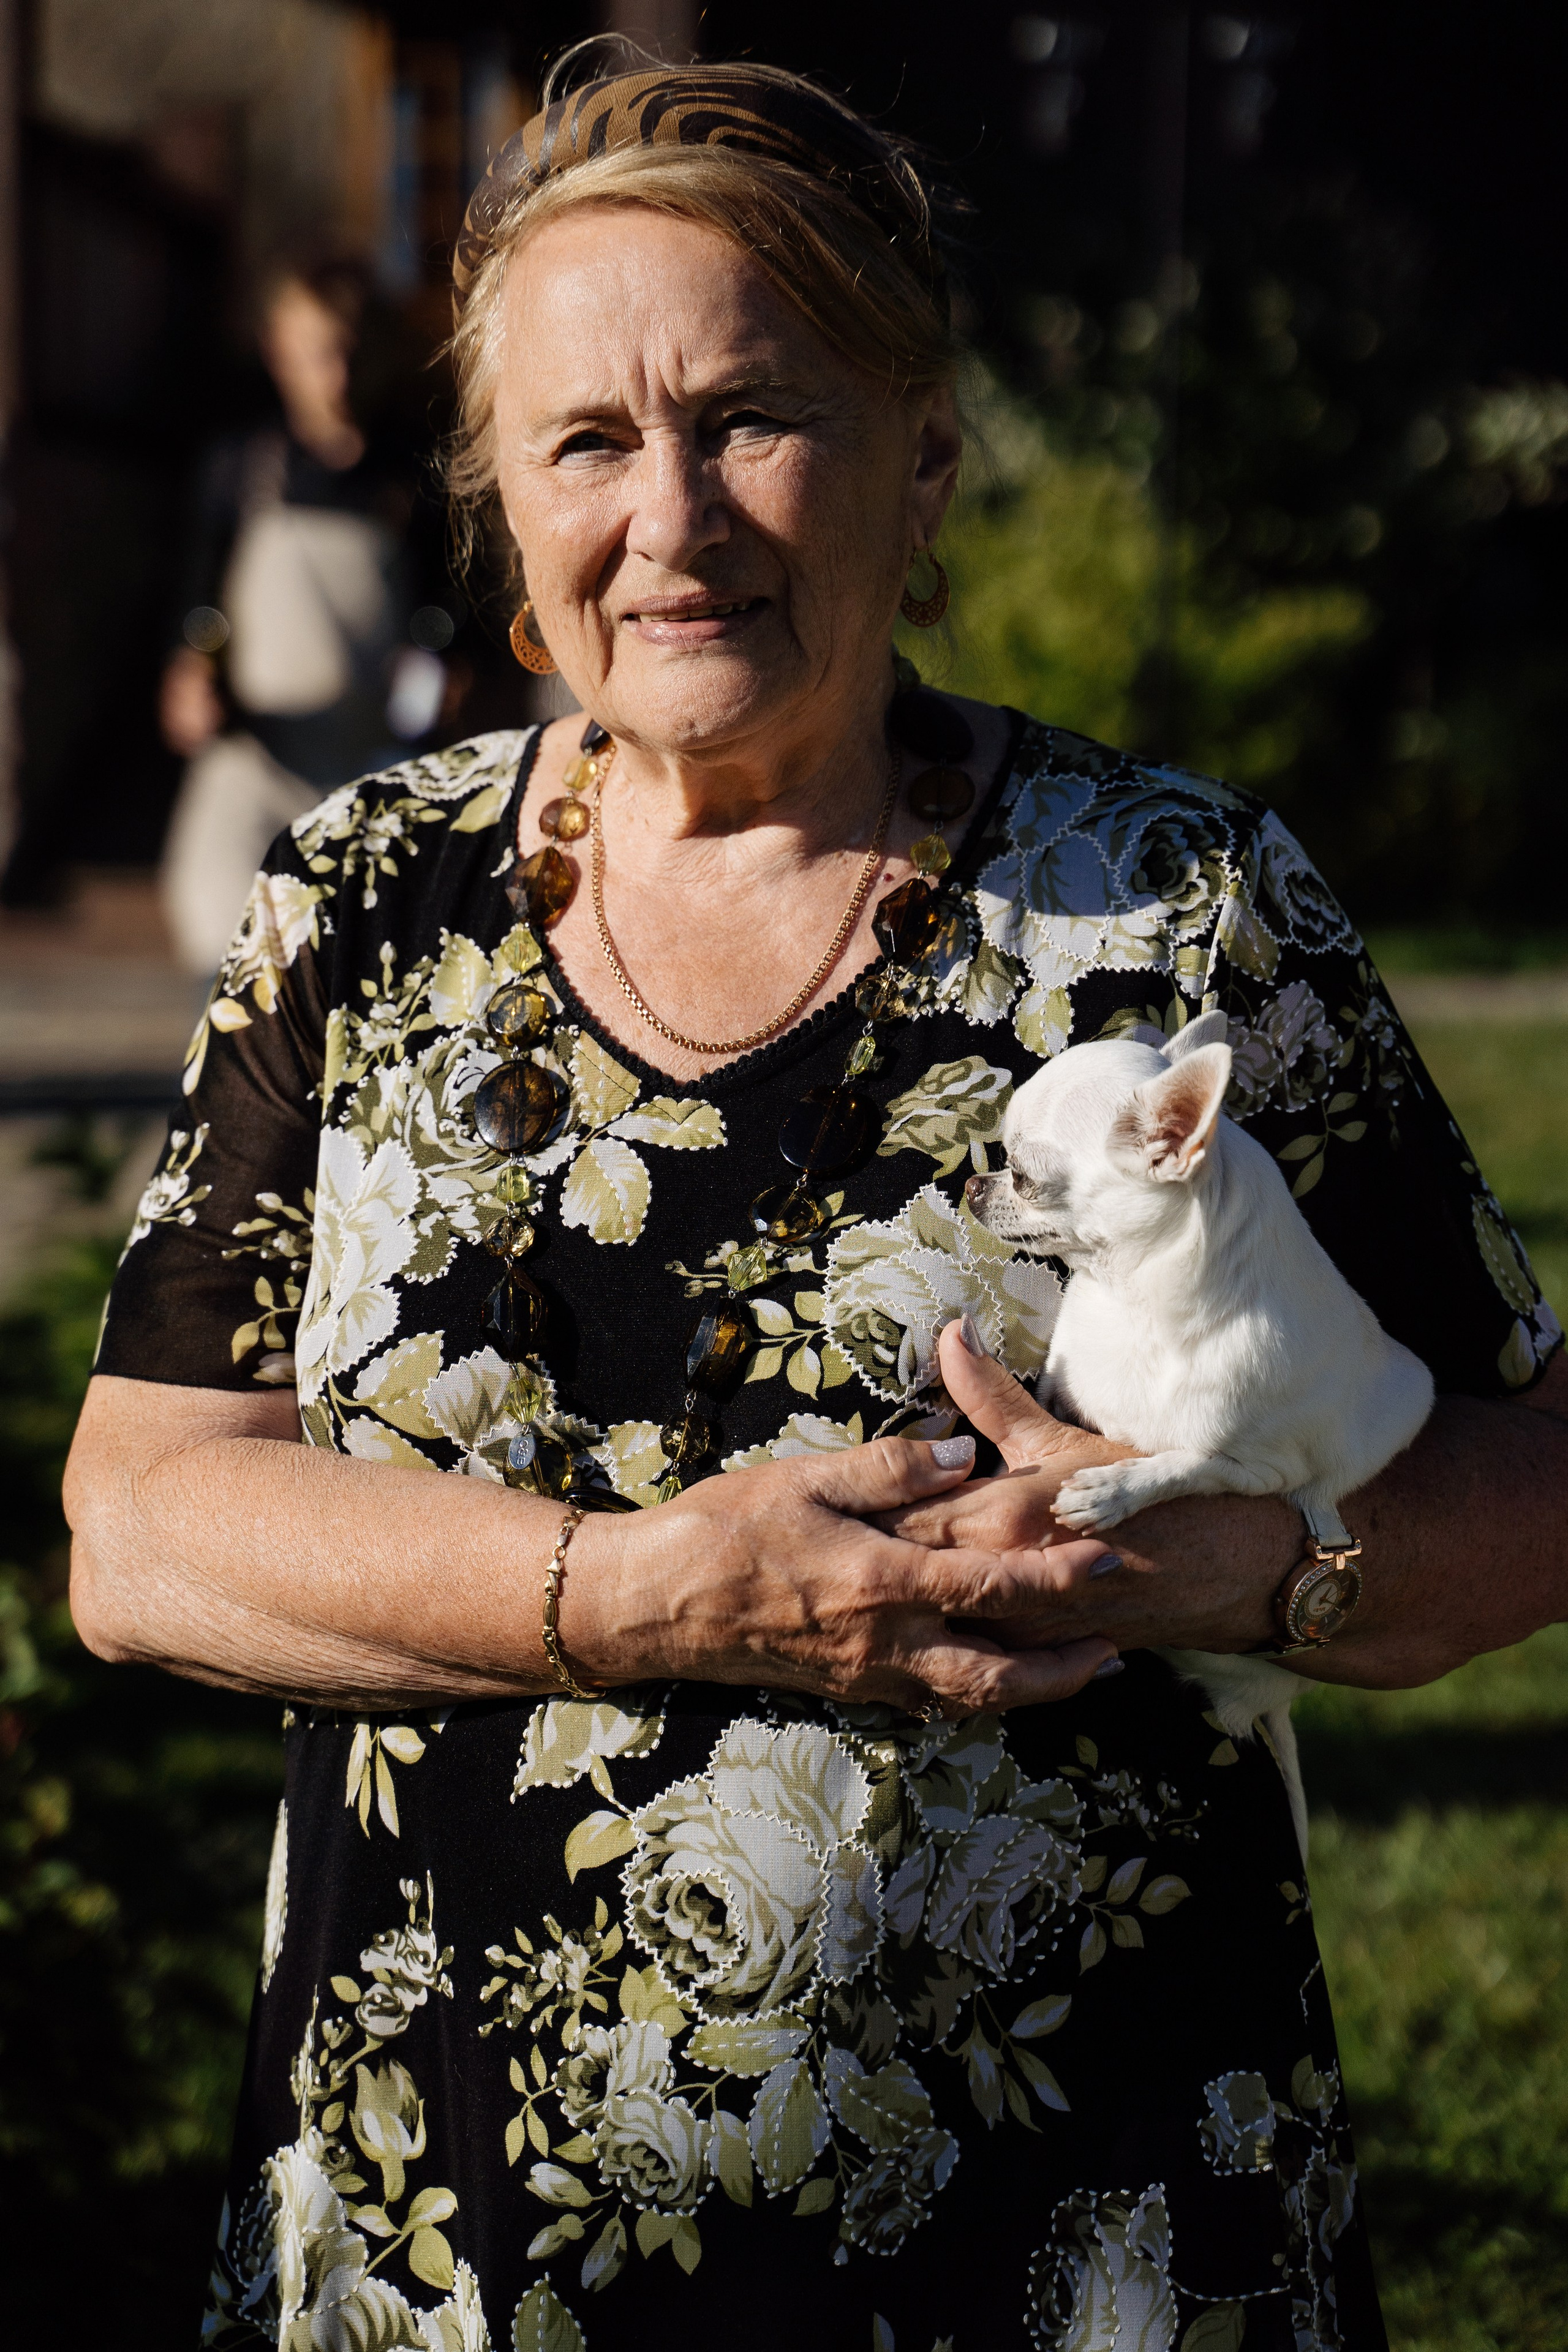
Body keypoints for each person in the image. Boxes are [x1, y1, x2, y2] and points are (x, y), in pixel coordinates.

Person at [64, 58, 1568, 2352]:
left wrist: (1265, 1564)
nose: (666, 520)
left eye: (751, 416)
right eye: (584, 442)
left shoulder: (1176, 916)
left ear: (920, 450)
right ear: (499, 499)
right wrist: (647, 1597)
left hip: (1090, 2249)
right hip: (445, 2255)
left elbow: (1531, 1475)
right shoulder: (358, 905)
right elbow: (142, 1532)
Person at [157, 261, 451, 974]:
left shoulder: (412, 477)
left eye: (350, 350)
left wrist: (441, 675)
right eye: (318, 350)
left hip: (370, 764)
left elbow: (440, 615)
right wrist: (193, 670)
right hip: (256, 760)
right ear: (277, 350)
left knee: (363, 963)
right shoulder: (240, 470)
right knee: (231, 955)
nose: (337, 374)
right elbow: (204, 609)